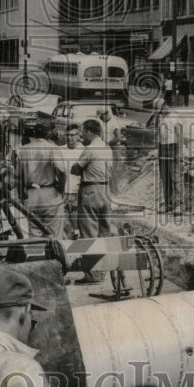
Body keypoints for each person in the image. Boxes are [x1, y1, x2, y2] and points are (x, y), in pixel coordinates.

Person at [71, 119, 112, 280]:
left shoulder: (90, 149)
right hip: (106, 190)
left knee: (88, 232)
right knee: (104, 232)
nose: (81, 136)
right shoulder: (107, 148)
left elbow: (75, 169)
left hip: (90, 190)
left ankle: (93, 274)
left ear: (89, 131)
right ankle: (102, 271)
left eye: (82, 132)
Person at [14, 121, 66, 238]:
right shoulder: (53, 148)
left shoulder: (23, 150)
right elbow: (61, 171)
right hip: (50, 194)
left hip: (31, 196)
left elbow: (18, 178)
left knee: (35, 236)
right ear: (49, 134)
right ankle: (54, 256)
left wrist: (22, 197)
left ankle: (36, 255)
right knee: (54, 236)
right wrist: (61, 188)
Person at [57, 123, 83, 238]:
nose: (69, 138)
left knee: (78, 227)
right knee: (64, 225)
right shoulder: (60, 150)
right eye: (68, 135)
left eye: (72, 135)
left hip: (77, 192)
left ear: (78, 135)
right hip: (62, 192)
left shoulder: (84, 150)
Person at [157, 106, 182, 215]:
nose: (162, 111)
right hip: (162, 148)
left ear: (165, 106)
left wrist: (180, 151)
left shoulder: (174, 116)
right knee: (165, 178)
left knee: (174, 177)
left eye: (161, 109)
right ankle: (168, 204)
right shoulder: (160, 118)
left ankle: (178, 205)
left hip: (173, 147)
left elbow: (179, 134)